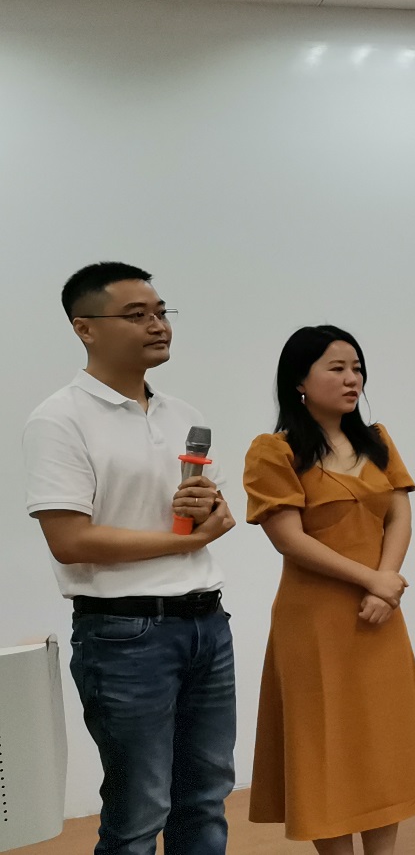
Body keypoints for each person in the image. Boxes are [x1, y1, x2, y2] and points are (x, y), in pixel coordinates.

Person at [23, 261, 237, 855]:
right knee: (139, 813)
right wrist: (186, 541)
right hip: (125, 635)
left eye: (162, 313)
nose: (158, 325)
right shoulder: (59, 419)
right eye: (137, 315)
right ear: (84, 328)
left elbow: (211, 514)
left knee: (207, 799)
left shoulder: (183, 414)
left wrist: (213, 515)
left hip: (207, 623)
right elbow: (70, 540)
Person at [242, 325, 415, 854]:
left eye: (356, 368)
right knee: (324, 747)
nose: (352, 378)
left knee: (381, 743)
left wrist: (386, 584)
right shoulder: (274, 451)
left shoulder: (376, 439)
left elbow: (400, 514)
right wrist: (372, 580)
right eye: (336, 368)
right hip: (315, 621)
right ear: (299, 381)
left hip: (380, 612)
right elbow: (289, 539)